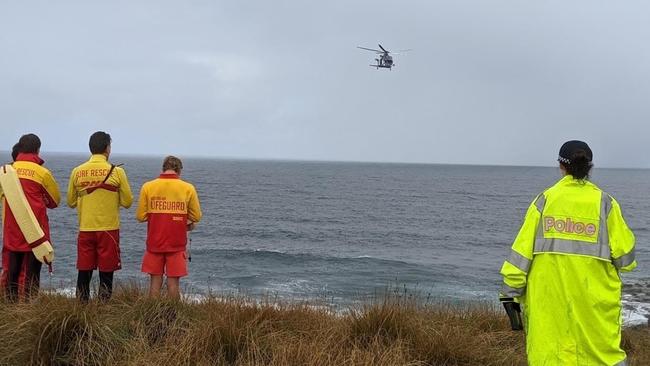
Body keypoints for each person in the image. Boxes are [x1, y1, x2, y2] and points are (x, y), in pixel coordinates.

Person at [499, 140, 636, 365]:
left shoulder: (544, 202)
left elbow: (520, 257)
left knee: (551, 357)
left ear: (560, 166)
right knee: (601, 357)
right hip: (594, 307)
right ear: (589, 166)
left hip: (549, 306)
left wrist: (509, 294)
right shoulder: (605, 204)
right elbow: (626, 260)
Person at [67, 131, 133, 302]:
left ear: (91, 148)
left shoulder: (77, 171)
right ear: (107, 149)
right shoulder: (117, 172)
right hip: (109, 228)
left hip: (86, 227)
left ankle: (81, 307)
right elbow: (127, 202)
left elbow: (71, 201)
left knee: (84, 270)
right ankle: (103, 308)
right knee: (106, 271)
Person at [1, 134, 60, 301]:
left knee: (12, 268)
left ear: (20, 148)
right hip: (35, 229)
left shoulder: (5, 171)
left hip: (12, 229)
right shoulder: (42, 173)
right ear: (38, 150)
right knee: (33, 271)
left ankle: (11, 304)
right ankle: (30, 304)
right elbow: (54, 201)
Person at [136, 156, 202, 298]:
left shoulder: (148, 186)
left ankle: (152, 315)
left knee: (155, 281)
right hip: (176, 243)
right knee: (173, 283)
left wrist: (159, 218)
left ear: (163, 169)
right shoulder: (188, 188)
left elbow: (141, 217)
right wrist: (181, 222)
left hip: (155, 241)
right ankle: (173, 316)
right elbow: (196, 216)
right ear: (179, 171)